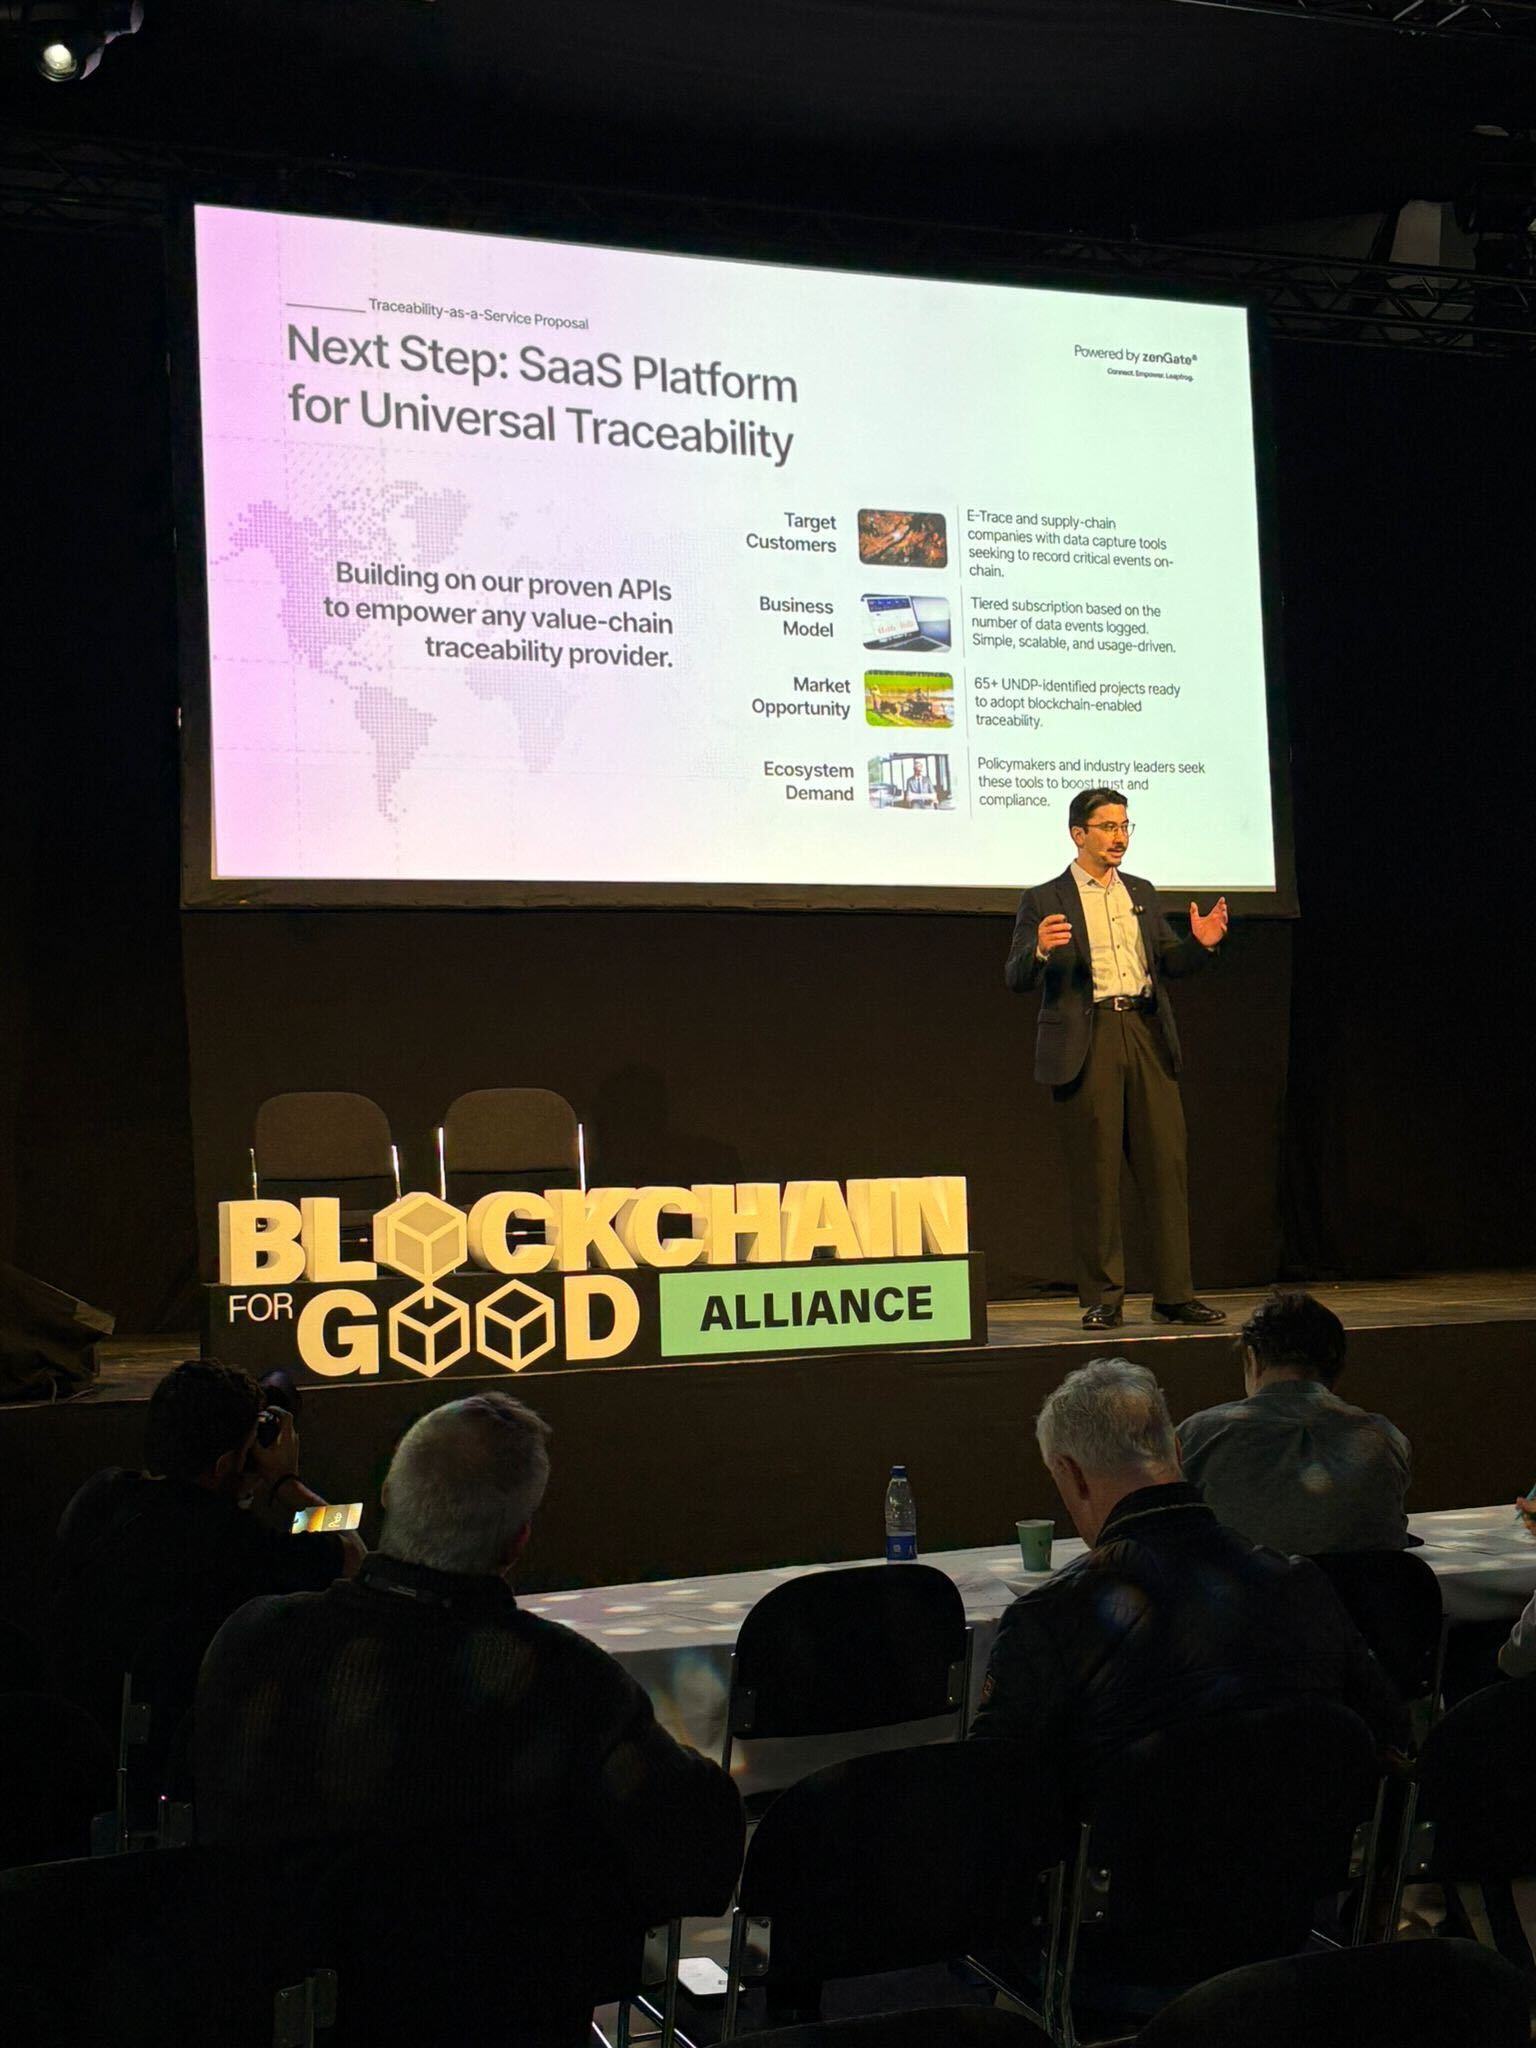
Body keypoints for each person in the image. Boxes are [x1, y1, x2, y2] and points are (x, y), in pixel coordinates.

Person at [193, 1392, 743, 1918]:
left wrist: (283, 1483)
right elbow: (699, 1855)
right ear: (517, 1543)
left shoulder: (255, 1637)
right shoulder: (570, 1683)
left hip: (290, 1995)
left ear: (388, 1494)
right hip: (497, 2003)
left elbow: (350, 1549)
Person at [970, 1359, 1405, 1800]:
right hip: (1306, 1861)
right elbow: (1389, 1733)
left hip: (1131, 1866)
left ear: (1071, 1473)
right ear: (1177, 1451)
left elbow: (994, 1795)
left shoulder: (1048, 1621)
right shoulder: (1299, 1584)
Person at [1005, 786, 1227, 1329]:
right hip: (1089, 1036)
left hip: (1146, 1031)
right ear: (1078, 834)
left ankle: (1174, 1294)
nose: (1119, 836)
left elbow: (1170, 963)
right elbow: (1015, 977)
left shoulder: (1142, 892)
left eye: (1125, 826)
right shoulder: (1044, 899)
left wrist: (1201, 945)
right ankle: (1105, 1298)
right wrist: (1037, 949)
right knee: (1097, 1173)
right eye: (1107, 827)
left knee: (1165, 1168)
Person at [51, 1358, 359, 1731]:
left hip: (81, 1737)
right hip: (178, 1753)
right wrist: (286, 1483)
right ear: (222, 1465)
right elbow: (352, 1548)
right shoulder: (238, 1544)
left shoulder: (100, 1497)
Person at [1178, 1291, 1411, 1555]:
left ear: (1253, 1359)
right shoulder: (1385, 1439)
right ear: (1337, 1367)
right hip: (1363, 1596)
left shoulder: (1198, 1437)